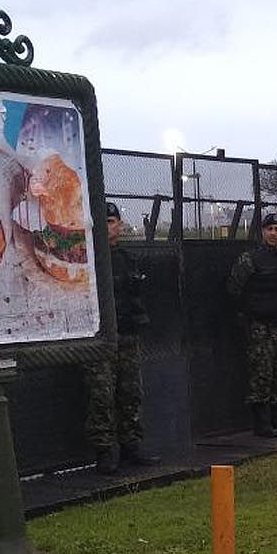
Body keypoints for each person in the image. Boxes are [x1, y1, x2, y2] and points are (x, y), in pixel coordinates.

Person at [83, 202, 162, 474]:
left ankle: (131, 446)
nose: (108, 227)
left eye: (112, 221)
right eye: (103, 222)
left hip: (128, 335)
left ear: (120, 225)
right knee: (102, 395)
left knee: (131, 393)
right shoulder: (88, 260)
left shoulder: (129, 259)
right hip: (100, 339)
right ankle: (105, 452)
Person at [227, 213, 277, 437]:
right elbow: (234, 288)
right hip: (259, 325)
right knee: (262, 373)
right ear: (263, 232)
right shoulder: (251, 259)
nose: (274, 233)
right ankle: (262, 422)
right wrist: (248, 315)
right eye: (270, 229)